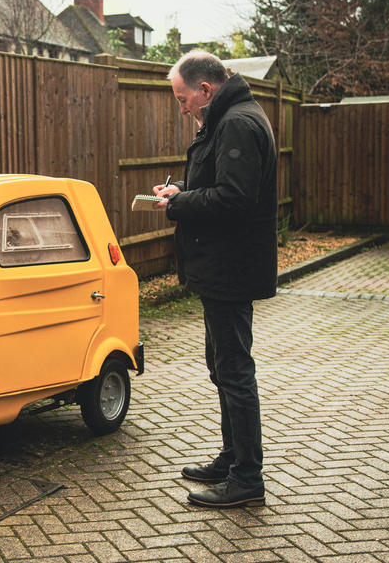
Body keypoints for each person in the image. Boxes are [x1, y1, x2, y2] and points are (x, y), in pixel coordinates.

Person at [153, 50, 278, 508]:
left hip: (231, 269)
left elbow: (234, 200)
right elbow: (221, 185)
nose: (181, 107)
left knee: (235, 371)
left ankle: (247, 478)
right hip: (220, 269)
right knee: (222, 367)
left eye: (183, 98)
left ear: (205, 90)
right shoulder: (229, 119)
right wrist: (182, 191)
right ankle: (231, 458)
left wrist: (179, 206)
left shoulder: (237, 123)